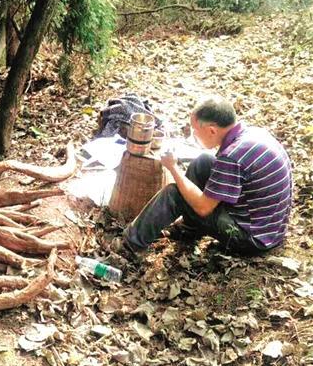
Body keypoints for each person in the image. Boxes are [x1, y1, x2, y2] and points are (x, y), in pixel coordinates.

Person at [124, 96, 293, 255]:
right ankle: (189, 230)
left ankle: (130, 244)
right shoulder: (252, 133)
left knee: (174, 194)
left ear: (212, 130)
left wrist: (173, 168)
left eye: (195, 131)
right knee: (203, 161)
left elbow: (203, 208)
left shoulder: (232, 157)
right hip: (269, 227)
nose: (193, 136)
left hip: (252, 238)